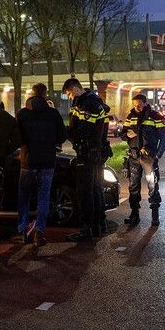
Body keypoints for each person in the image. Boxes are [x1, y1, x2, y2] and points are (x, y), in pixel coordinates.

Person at [15, 83, 66, 246]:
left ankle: (23, 231)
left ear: (32, 94)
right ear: (45, 95)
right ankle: (39, 233)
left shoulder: (22, 113)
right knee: (43, 198)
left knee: (24, 196)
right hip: (47, 161)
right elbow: (62, 136)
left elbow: (18, 137)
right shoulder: (53, 113)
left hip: (28, 161)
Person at [62, 78, 109, 242]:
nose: (69, 97)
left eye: (68, 93)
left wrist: (67, 133)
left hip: (87, 152)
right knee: (95, 188)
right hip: (95, 152)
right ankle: (98, 224)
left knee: (85, 191)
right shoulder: (91, 100)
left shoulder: (87, 103)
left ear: (74, 88)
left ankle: (86, 228)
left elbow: (84, 130)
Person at [120, 94, 165, 227]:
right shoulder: (131, 116)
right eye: (135, 104)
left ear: (146, 103)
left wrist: (158, 154)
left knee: (152, 185)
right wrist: (126, 135)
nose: (137, 107)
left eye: (139, 104)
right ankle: (134, 214)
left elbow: (164, 137)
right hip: (134, 156)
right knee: (133, 187)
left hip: (149, 156)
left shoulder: (155, 116)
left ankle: (155, 215)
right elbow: (122, 133)